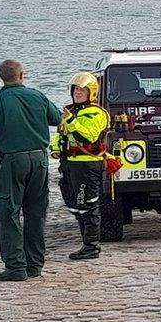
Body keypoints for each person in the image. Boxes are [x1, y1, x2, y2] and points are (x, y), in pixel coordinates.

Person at [0, 60, 62, 281]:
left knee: (8, 211)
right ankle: (35, 265)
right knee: (36, 212)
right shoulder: (37, 96)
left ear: (1, 77)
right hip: (39, 159)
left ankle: (16, 266)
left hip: (13, 160)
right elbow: (58, 120)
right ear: (22, 75)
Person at [51, 72, 111, 260]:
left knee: (88, 204)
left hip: (87, 165)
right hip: (69, 164)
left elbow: (88, 136)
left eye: (82, 90)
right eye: (76, 89)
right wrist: (54, 147)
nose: (78, 93)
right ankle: (86, 242)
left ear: (91, 92)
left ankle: (91, 246)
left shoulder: (96, 113)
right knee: (74, 204)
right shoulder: (71, 111)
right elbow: (61, 133)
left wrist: (71, 121)